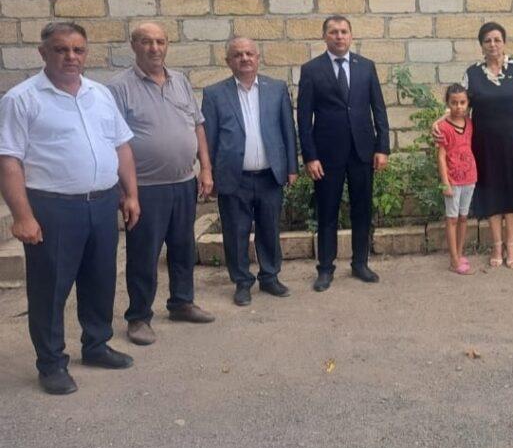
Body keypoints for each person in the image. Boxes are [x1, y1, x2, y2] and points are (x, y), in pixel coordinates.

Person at [0, 22, 140, 395]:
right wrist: (23, 216)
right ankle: (51, 364)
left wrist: (131, 193)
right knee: (50, 289)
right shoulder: (22, 99)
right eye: (61, 49)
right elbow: (9, 160)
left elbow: (122, 146)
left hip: (102, 203)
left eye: (78, 50)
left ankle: (96, 345)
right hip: (53, 209)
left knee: (100, 279)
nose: (71, 57)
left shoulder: (100, 94)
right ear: (43, 53)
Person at [108, 23, 215, 345]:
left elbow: (197, 126)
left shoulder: (180, 81)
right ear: (133, 45)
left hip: (183, 182)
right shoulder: (119, 88)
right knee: (144, 255)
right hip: (144, 188)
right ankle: (139, 317)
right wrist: (126, 191)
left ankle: (181, 303)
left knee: (183, 248)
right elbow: (112, 140)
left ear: (167, 44)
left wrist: (205, 169)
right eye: (146, 42)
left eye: (160, 41)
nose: (154, 48)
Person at [202, 37, 298, 306]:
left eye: (249, 53)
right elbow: (208, 138)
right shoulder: (214, 94)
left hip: (270, 175)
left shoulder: (276, 89)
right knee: (236, 232)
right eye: (237, 54)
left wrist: (292, 167)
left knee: (270, 229)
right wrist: (208, 173)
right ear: (228, 61)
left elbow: (288, 130)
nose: (244, 58)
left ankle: (270, 277)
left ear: (257, 57)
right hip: (234, 177)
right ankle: (242, 282)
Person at [298, 16, 390, 290]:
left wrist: (382, 147)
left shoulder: (366, 66)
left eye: (343, 31)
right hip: (327, 155)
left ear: (351, 35)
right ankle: (325, 268)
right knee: (327, 212)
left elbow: (379, 109)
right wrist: (310, 156)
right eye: (333, 32)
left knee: (362, 210)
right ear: (325, 36)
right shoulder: (311, 70)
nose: (339, 36)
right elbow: (304, 118)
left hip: (362, 151)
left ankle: (360, 263)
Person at [458, 22, 513, 269]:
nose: (492, 44)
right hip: (484, 148)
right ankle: (496, 245)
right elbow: (460, 108)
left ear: (504, 42)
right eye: (487, 40)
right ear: (481, 45)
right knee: (491, 193)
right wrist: (444, 127)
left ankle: (512, 245)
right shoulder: (472, 73)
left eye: (497, 39)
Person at [436, 84, 477, 275]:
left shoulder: (469, 123)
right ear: (448, 103)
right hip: (452, 180)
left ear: (468, 103)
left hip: (469, 177)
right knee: (452, 219)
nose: (458, 106)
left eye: (462, 102)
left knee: (463, 217)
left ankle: (459, 254)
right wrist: (445, 182)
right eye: (454, 103)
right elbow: (441, 156)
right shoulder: (443, 128)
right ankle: (453, 260)